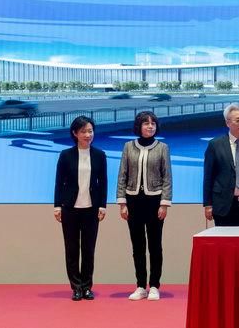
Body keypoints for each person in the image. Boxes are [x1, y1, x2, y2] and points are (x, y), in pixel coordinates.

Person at [116, 111, 172, 301]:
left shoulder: (162, 148)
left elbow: (167, 177)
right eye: (146, 123)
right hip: (133, 201)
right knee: (137, 245)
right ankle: (140, 286)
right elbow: (122, 175)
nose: (150, 126)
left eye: (153, 123)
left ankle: (154, 285)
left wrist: (164, 204)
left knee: (155, 245)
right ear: (138, 126)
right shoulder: (128, 146)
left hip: (155, 201)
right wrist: (122, 202)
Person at [54, 116, 107, 301]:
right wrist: (57, 206)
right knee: (71, 249)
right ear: (75, 133)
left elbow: (103, 182)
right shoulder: (65, 155)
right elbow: (59, 182)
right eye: (83, 131)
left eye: (90, 131)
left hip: (91, 208)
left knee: (88, 249)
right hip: (70, 208)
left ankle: (86, 287)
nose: (87, 135)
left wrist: (103, 205)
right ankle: (76, 287)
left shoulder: (99, 155)